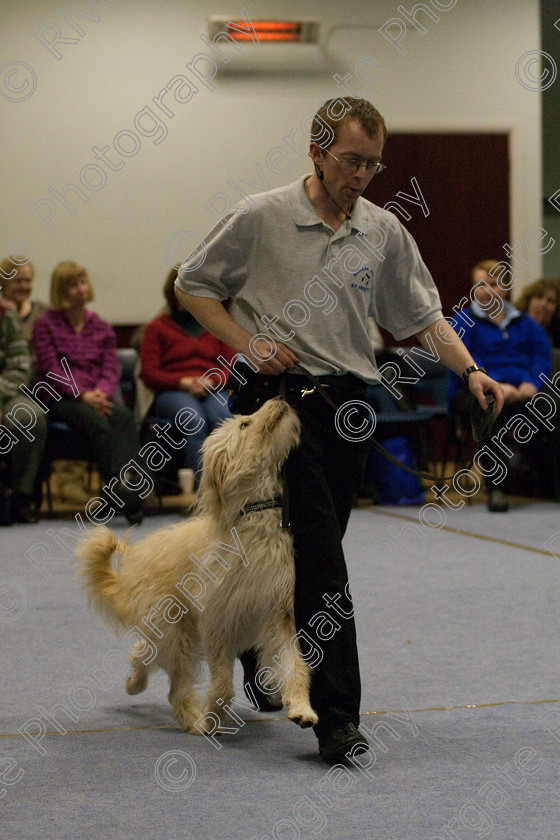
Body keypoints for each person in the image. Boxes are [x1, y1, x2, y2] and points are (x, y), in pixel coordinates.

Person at [175, 97, 503, 765]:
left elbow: (423, 315)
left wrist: (471, 371)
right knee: (324, 563)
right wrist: (247, 343)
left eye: (374, 165)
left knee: (301, 557)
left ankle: (252, 648)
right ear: (316, 150)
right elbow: (193, 285)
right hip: (277, 410)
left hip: (352, 406)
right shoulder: (260, 215)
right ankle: (337, 720)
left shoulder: (382, 230)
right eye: (352, 160)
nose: (362, 176)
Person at [32, 261, 146, 525]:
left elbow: (110, 368)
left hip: (98, 396)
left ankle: (120, 490)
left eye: (82, 283)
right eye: (72, 285)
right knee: (98, 424)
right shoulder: (46, 325)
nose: (80, 290)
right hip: (61, 397)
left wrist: (101, 393)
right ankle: (127, 497)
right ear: (60, 291)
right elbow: (50, 369)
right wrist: (82, 394)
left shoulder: (101, 326)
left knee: (124, 419)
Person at [449, 260, 552, 511]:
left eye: (493, 284)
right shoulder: (464, 321)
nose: (487, 290)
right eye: (480, 285)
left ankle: (548, 484)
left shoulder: (525, 322)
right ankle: (496, 488)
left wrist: (532, 383)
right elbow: (464, 359)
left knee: (552, 405)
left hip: (523, 390)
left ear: (504, 287)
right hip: (474, 391)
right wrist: (495, 384)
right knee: (491, 407)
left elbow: (542, 356)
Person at [139, 268, 233, 477]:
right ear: (174, 293)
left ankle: (231, 485)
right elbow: (149, 373)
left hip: (212, 387)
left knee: (224, 418)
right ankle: (206, 490)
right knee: (192, 419)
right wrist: (183, 382)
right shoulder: (156, 328)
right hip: (173, 391)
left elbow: (231, 366)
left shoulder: (215, 323)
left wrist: (212, 381)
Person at [0, 302, 47, 523]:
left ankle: (21, 497)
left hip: (5, 393)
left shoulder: (6, 315)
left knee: (30, 417)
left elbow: (20, 366)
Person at [0, 255, 48, 343]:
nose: (23, 286)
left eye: (28, 281)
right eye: (17, 281)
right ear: (3, 282)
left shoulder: (44, 311)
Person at [515, 278, 560, 348]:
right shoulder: (513, 326)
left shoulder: (556, 334)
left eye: (550, 301)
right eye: (539, 297)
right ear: (528, 300)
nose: (543, 304)